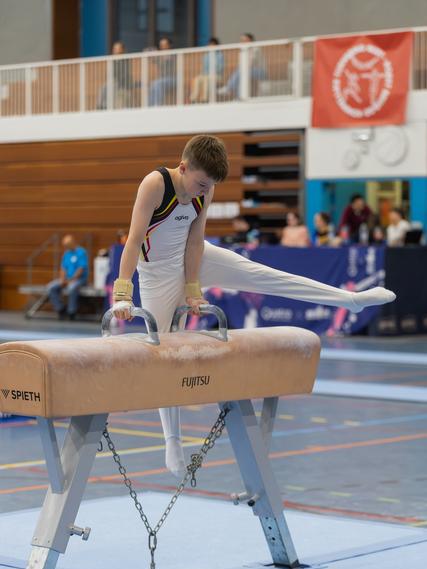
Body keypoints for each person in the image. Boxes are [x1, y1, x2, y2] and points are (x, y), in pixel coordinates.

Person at [112, 135, 396, 476]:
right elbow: (132, 240)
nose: (204, 191)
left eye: (210, 186)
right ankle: (172, 441)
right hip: (155, 273)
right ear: (183, 167)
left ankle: (348, 300)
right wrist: (122, 294)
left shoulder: (205, 187)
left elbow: (195, 241)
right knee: (164, 354)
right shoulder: (155, 184)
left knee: (262, 274)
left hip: (193, 258)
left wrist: (192, 290)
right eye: (201, 183)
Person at [47, 235, 88, 320]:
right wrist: (62, 279)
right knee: (51, 287)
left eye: (68, 245)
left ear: (73, 242)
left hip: (79, 279)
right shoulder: (67, 253)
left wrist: (70, 280)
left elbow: (81, 269)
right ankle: (60, 309)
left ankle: (71, 312)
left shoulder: (81, 252)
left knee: (72, 287)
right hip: (67, 279)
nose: (66, 247)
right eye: (65, 246)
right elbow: (63, 268)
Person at [218, 33, 267, 99]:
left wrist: (242, 69)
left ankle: (229, 87)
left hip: (260, 72)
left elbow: (250, 64)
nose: (243, 42)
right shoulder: (243, 51)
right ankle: (238, 97)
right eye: (242, 40)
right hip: (248, 71)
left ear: (250, 40)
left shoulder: (255, 49)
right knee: (240, 76)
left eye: (245, 40)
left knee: (241, 72)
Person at [97, 41, 133, 109]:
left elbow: (123, 75)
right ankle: (102, 106)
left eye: (117, 49)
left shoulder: (125, 60)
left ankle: (105, 106)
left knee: (109, 86)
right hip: (114, 83)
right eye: (114, 49)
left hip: (123, 83)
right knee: (104, 87)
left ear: (122, 50)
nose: (115, 51)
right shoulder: (112, 61)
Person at [190, 37, 224, 103]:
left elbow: (220, 68)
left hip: (217, 76)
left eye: (213, 44)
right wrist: (204, 74)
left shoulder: (220, 55)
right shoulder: (206, 56)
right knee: (197, 79)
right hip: (206, 75)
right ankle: (193, 98)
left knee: (206, 79)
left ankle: (204, 99)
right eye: (210, 44)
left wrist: (210, 73)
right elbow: (204, 68)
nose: (211, 46)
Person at [149, 36, 176, 106]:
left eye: (165, 45)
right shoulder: (160, 56)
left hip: (173, 79)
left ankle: (158, 104)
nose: (163, 47)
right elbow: (151, 58)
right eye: (161, 45)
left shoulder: (174, 54)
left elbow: (169, 60)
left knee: (157, 83)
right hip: (162, 80)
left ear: (170, 45)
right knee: (153, 84)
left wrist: (161, 56)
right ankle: (150, 105)